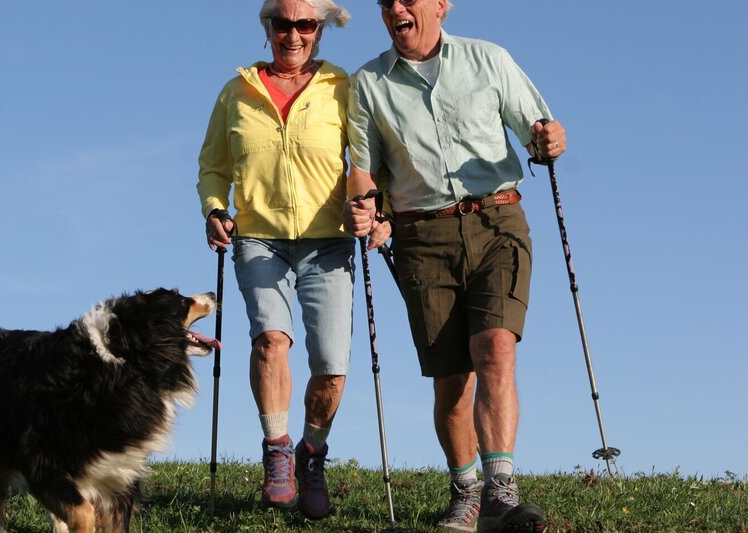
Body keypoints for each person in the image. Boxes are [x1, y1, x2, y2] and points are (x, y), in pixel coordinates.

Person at [343, 1, 566, 532]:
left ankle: (500, 493)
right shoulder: (367, 83)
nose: (397, 7)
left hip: (498, 220)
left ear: (440, 5)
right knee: (451, 380)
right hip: (423, 234)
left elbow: (539, 130)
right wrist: (364, 206)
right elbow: (362, 168)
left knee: (494, 349)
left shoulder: (489, 59)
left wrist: (549, 141)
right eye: (386, 1)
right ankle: (466, 490)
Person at [196, 0, 353, 520]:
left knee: (330, 367)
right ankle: (277, 451)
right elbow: (213, 166)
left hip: (328, 241)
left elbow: (369, 161)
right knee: (270, 340)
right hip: (259, 237)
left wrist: (375, 210)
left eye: (304, 24)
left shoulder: (341, 88)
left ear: (319, 30)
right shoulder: (237, 91)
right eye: (282, 24)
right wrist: (216, 208)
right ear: (267, 28)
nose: (293, 34)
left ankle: (312, 453)